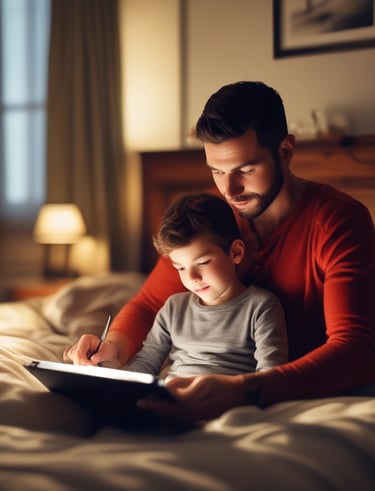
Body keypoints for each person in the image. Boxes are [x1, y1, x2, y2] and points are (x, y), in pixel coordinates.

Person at [64, 81, 375, 423]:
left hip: (290, 389)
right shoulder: (210, 213)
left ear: (285, 151)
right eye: (217, 170)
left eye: (245, 170)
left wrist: (246, 389)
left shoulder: (338, 220)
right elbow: (151, 304)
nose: (230, 189)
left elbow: (356, 349)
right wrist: (115, 348)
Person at [124, 193, 288, 379]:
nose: (192, 277)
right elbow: (146, 361)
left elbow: (271, 374)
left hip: (231, 399)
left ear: (235, 252)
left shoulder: (261, 306)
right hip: (172, 399)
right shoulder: (173, 308)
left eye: (202, 263)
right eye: (180, 268)